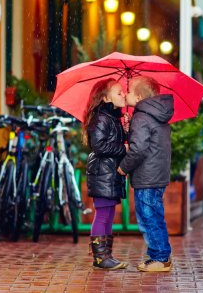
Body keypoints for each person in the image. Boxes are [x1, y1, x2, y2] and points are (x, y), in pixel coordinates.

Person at [117, 76, 174, 272]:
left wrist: (123, 167)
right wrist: (130, 127)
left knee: (148, 216)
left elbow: (138, 148)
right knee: (155, 215)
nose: (126, 94)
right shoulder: (156, 114)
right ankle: (161, 255)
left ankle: (160, 257)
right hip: (157, 173)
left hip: (146, 175)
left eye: (130, 91)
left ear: (140, 96)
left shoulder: (141, 117)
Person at [83, 78, 128, 270]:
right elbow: (99, 146)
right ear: (105, 98)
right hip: (102, 173)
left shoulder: (112, 118)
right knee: (102, 215)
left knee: (108, 214)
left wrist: (126, 131)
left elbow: (115, 142)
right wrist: (123, 147)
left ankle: (106, 256)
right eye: (119, 93)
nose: (124, 95)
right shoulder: (101, 117)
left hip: (109, 175)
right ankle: (100, 258)